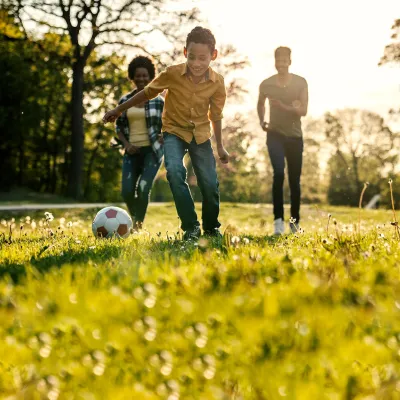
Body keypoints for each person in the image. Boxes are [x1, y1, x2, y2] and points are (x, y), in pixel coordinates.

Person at [103, 27, 229, 241]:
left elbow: (216, 115)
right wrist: (119, 109)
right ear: (184, 53)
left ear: (213, 55)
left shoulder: (217, 83)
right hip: (173, 133)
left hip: (201, 135)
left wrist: (220, 146)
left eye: (203, 58)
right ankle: (190, 227)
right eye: (192, 57)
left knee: (209, 183)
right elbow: (147, 92)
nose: (197, 63)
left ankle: (210, 228)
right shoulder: (172, 73)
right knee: (174, 172)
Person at [257, 46, 308, 235]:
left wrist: (284, 107)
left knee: (294, 180)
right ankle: (278, 221)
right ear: (275, 61)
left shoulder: (301, 82)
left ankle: (294, 223)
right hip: (275, 135)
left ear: (290, 61)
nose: (281, 63)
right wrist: (262, 120)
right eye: (278, 60)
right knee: (278, 173)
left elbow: (303, 110)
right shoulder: (266, 84)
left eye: (285, 60)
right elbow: (260, 104)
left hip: (295, 136)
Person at [114, 56, 164, 231]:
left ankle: (137, 226)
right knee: (127, 192)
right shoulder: (125, 101)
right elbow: (118, 126)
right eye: (138, 75)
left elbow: (170, 123)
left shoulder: (159, 101)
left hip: (152, 152)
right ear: (132, 77)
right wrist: (126, 145)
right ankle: (135, 219)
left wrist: (164, 135)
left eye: (145, 75)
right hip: (131, 151)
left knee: (143, 188)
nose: (142, 79)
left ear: (151, 77)